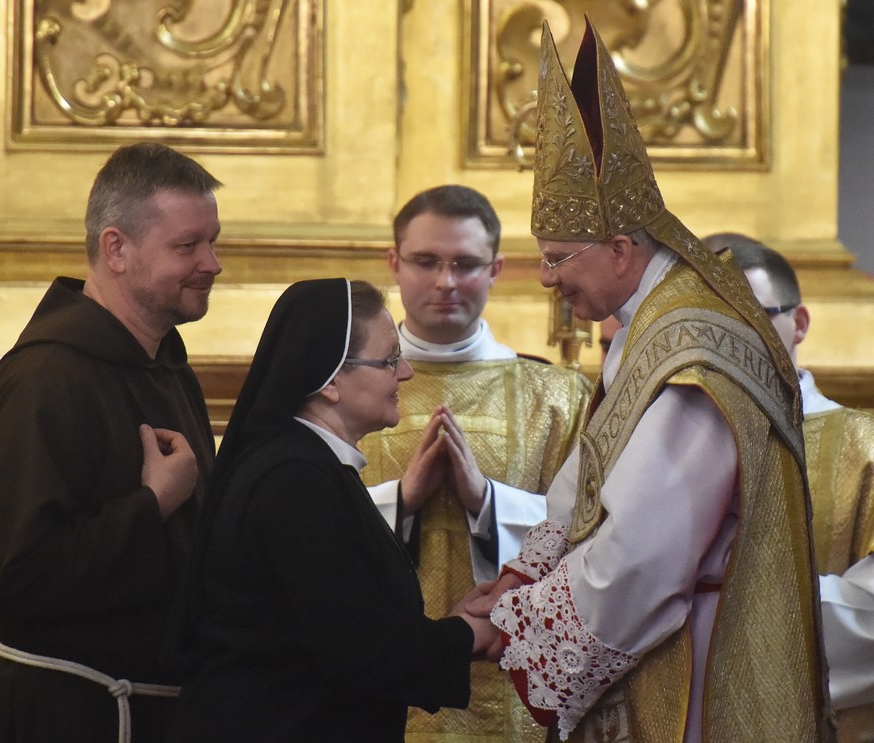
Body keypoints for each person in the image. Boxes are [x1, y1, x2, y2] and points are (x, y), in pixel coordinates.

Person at [469, 19, 835, 742]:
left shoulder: (697, 354)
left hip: (697, 661)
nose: (546, 280)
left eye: (557, 258)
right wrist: (524, 574)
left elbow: (642, 554)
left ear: (619, 247)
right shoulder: (650, 323)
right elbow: (592, 476)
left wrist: (512, 629)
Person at [0, 142, 222, 743]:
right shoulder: (46, 379)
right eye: (187, 246)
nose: (212, 263)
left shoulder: (165, 365)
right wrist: (152, 505)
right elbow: (18, 583)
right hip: (73, 713)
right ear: (117, 249)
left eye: (214, 242)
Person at [169, 278, 495, 743]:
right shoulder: (295, 480)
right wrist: (467, 636)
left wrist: (449, 629)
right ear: (331, 382)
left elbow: (340, 618)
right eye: (388, 361)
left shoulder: (303, 465)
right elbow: (358, 650)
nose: (405, 374)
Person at [358, 184, 592, 741]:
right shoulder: (344, 388)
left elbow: (593, 536)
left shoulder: (558, 397)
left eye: (465, 264)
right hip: (375, 689)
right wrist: (401, 502)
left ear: (496, 269)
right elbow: (298, 531)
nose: (445, 281)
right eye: (425, 262)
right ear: (394, 263)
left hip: (510, 703)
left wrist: (487, 504)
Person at [705, 232, 874, 742]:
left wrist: (715, 602)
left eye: (752, 318)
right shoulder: (656, 444)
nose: (729, 339)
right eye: (708, 321)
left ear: (798, 323)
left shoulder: (863, 443)